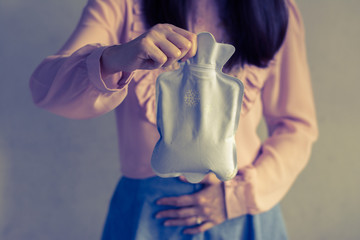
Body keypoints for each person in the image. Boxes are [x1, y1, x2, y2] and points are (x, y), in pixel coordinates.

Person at [29, 0, 318, 239]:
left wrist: (239, 196)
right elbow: (48, 90)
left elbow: (297, 127)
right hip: (147, 217)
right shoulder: (121, 5)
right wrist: (116, 58)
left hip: (243, 216)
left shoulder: (275, 9)